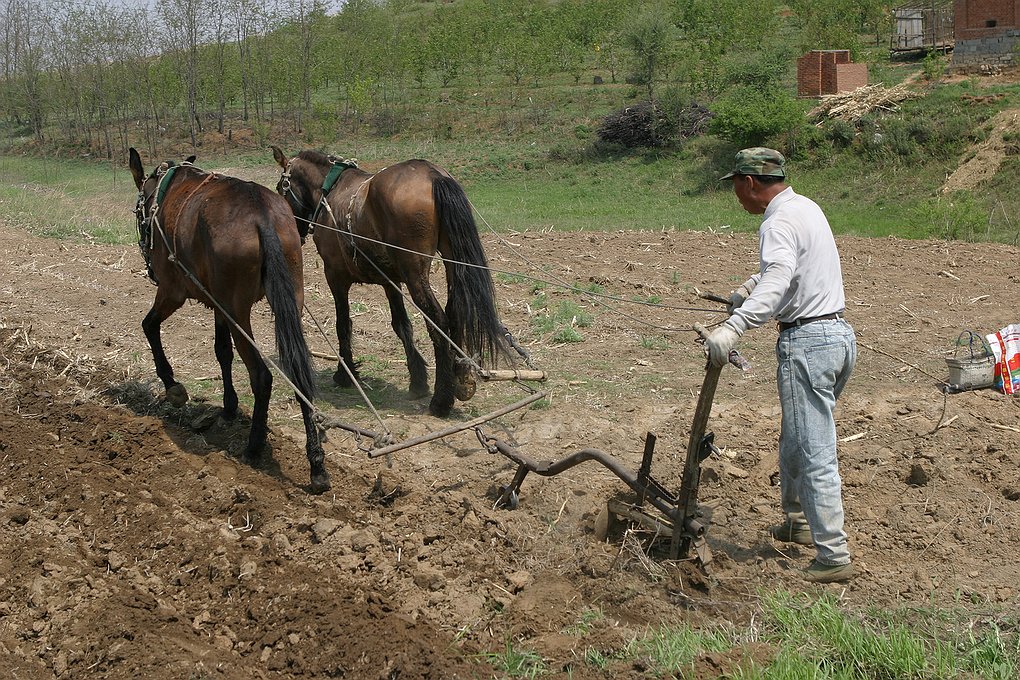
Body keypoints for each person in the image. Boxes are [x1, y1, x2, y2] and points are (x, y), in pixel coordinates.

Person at [706, 147, 857, 584]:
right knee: (797, 435)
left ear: (749, 182)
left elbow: (779, 276)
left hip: (807, 343)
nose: (736, 194)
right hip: (838, 337)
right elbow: (790, 267)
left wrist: (734, 326)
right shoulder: (805, 207)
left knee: (814, 449)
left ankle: (833, 555)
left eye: (736, 185)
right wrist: (748, 287)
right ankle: (798, 521)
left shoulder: (775, 222)